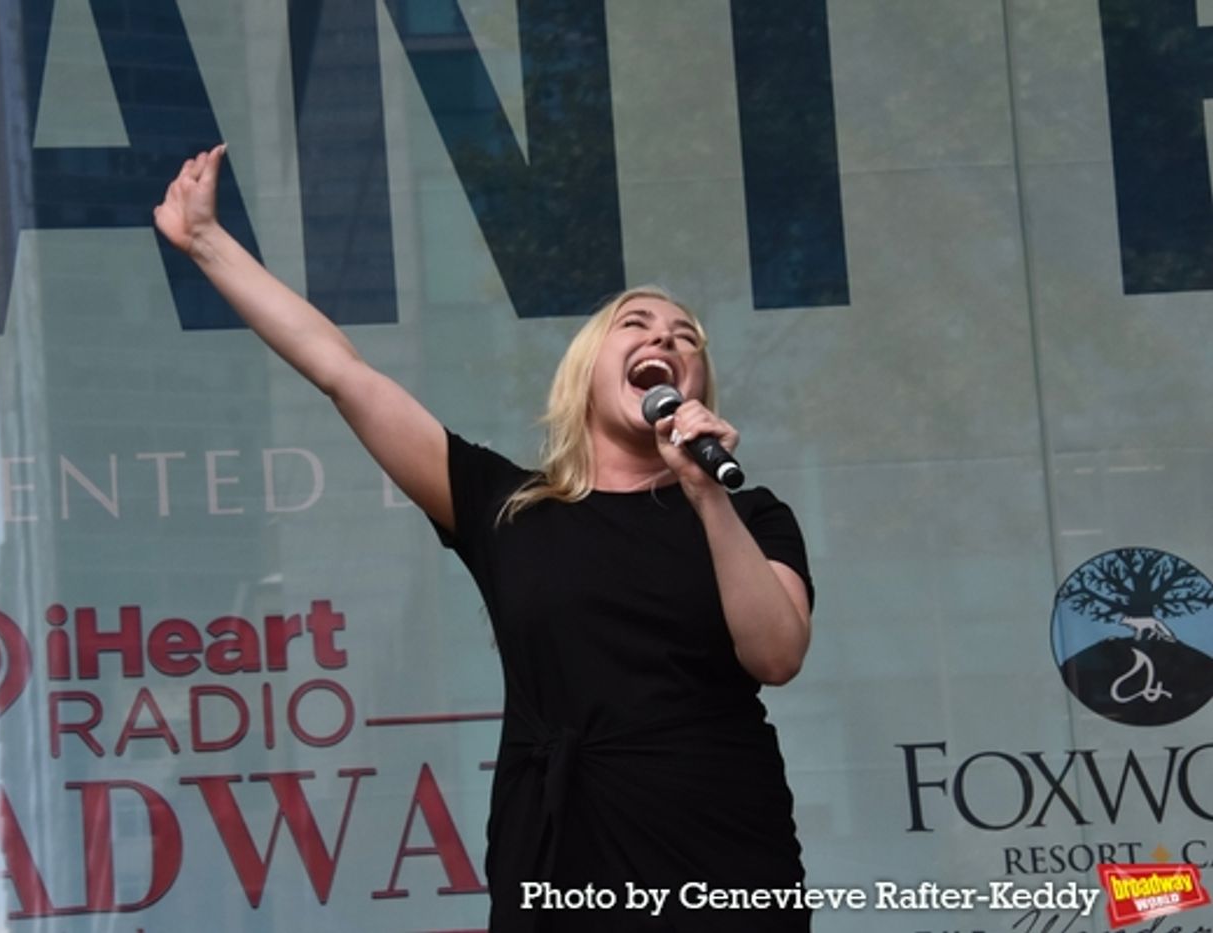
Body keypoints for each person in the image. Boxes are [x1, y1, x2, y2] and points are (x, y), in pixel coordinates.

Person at [156, 145, 814, 932]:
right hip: (559, 853)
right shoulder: (508, 507)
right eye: (635, 325)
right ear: (585, 373)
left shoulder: (747, 510)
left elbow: (776, 654)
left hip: (720, 852)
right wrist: (206, 242)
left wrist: (706, 494)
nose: (665, 340)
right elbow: (344, 370)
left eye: (686, 337)